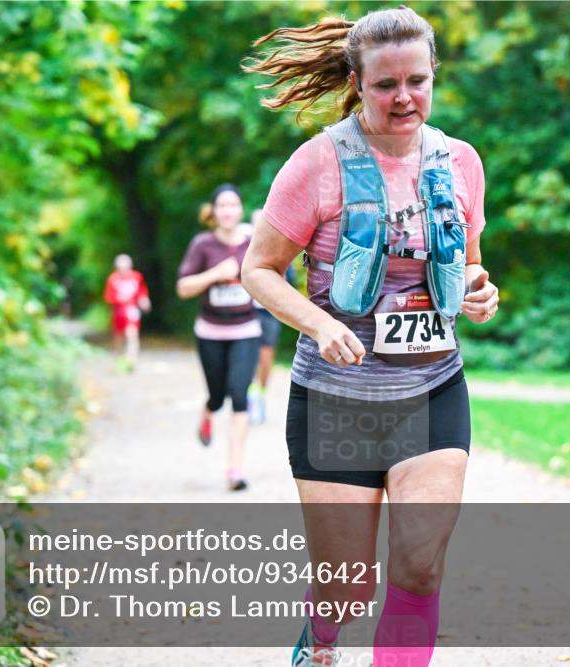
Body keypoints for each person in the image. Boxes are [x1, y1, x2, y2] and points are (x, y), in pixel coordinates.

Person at [242, 6, 499, 666]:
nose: (404, 96)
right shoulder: (317, 165)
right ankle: (320, 636)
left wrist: (479, 288)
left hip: (432, 387)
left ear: (434, 75)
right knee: (348, 586)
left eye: (418, 80)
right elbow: (258, 269)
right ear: (357, 82)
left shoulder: (461, 163)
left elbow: (468, 261)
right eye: (386, 84)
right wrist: (321, 322)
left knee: (419, 565)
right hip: (336, 397)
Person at [177, 184, 262, 492]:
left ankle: (234, 470)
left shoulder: (253, 243)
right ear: (212, 212)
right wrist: (214, 274)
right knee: (218, 395)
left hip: (246, 330)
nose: (227, 211)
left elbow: (274, 277)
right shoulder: (202, 244)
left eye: (233, 205)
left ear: (240, 210)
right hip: (210, 331)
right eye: (221, 206)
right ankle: (208, 409)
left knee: (239, 395)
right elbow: (183, 288)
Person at [247, 208, 297, 425]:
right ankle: (249, 393)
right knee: (246, 355)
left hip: (268, 312)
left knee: (266, 357)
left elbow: (291, 282)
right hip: (244, 312)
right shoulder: (241, 249)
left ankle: (261, 394)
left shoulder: (281, 250)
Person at [103, 254, 151, 372]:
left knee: (132, 335)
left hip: (132, 312)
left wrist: (144, 301)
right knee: (118, 338)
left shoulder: (136, 277)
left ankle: (131, 360)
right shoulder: (113, 279)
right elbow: (108, 297)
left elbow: (142, 292)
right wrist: (119, 299)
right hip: (118, 313)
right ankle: (119, 360)